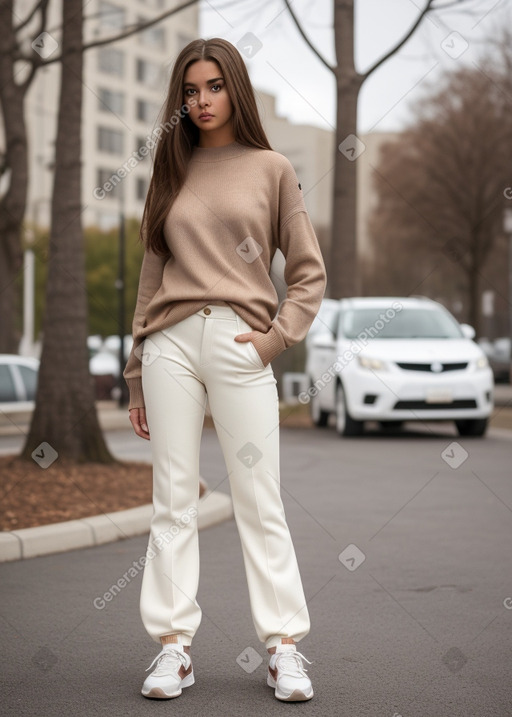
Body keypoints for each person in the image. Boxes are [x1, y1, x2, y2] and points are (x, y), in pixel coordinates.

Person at [123, 37, 327, 702]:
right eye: (190, 90)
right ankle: (172, 648)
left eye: (213, 86)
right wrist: (135, 369)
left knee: (259, 498)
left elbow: (307, 272)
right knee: (174, 501)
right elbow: (152, 279)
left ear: (234, 87)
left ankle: (284, 649)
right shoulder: (171, 170)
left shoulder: (271, 168)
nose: (201, 101)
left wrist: (275, 341)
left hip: (243, 343)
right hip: (171, 345)